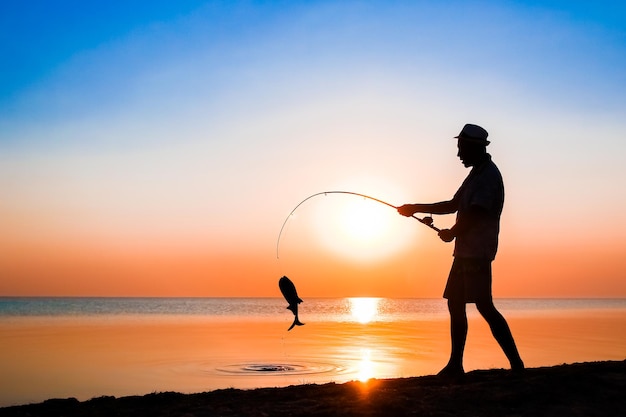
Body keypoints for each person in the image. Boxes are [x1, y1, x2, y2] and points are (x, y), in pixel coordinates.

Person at [398, 123, 524, 377]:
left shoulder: (488, 176)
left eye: (461, 149)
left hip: (477, 252)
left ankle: (517, 365)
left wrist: (452, 232)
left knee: (485, 306)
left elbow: (476, 213)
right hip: (464, 252)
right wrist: (415, 207)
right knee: (456, 304)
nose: (458, 155)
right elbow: (453, 204)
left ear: (474, 148)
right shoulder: (476, 173)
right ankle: (456, 364)